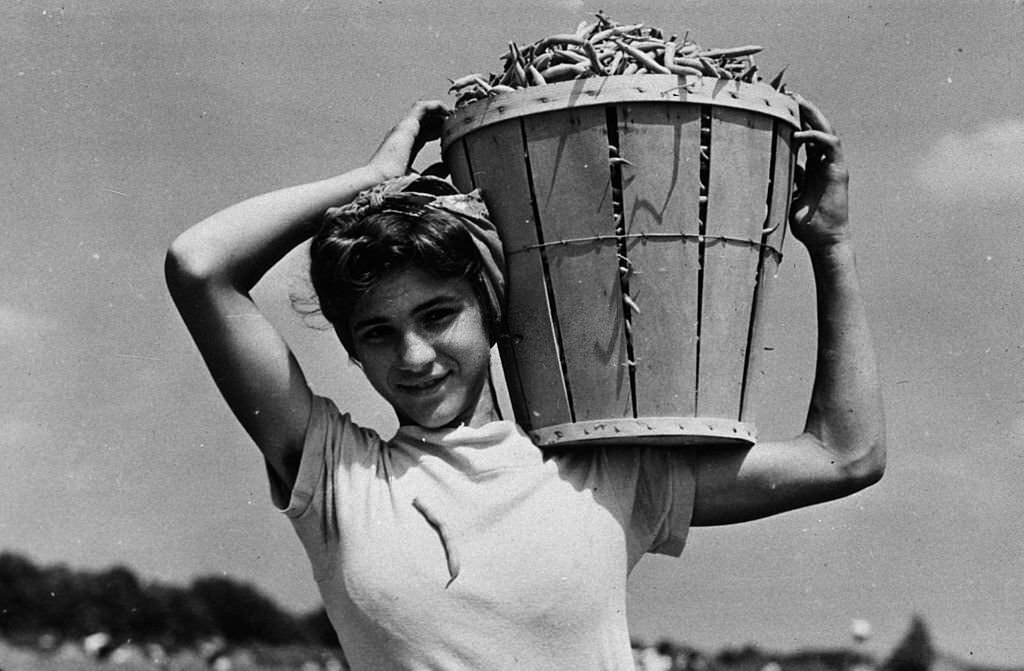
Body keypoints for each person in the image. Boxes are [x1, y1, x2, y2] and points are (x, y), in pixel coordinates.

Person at [165, 96, 885, 670]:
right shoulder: (334, 477)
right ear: (353, 352)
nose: (414, 355)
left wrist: (831, 245)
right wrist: (368, 180)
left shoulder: (607, 468)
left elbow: (845, 454)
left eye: (438, 314)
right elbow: (200, 266)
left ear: (492, 308)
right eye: (377, 333)